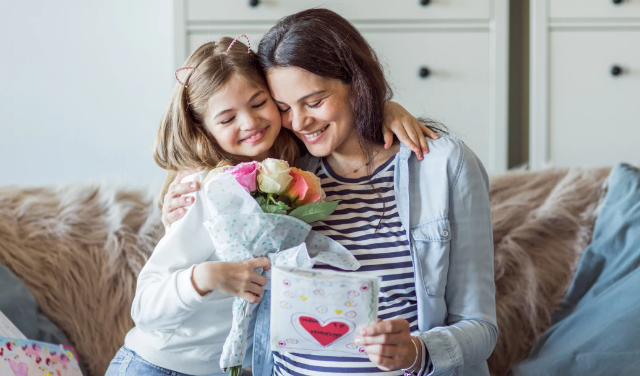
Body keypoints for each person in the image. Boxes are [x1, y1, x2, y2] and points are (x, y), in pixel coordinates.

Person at [164, 9, 497, 376]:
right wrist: (171, 211)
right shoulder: (278, 172)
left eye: (315, 101)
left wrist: (417, 351)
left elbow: (481, 327)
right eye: (283, 108)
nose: (300, 122)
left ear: (357, 81)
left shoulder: (444, 166)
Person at [106, 34, 435, 376]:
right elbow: (145, 306)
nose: (250, 123)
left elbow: (332, 117)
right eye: (227, 118)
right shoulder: (205, 189)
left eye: (259, 103)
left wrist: (383, 109)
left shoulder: (297, 165)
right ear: (204, 128)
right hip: (158, 365)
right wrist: (204, 277)